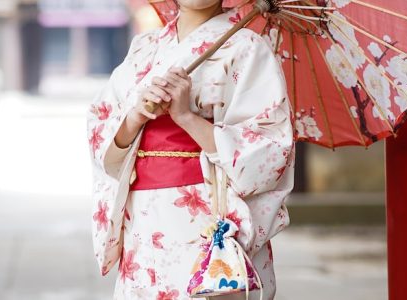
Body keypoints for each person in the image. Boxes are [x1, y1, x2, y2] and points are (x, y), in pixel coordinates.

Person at [87, 1, 295, 299]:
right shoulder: (145, 47)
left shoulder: (247, 48)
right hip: (143, 217)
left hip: (203, 214)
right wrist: (134, 117)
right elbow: (101, 124)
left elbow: (269, 151)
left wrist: (186, 117)